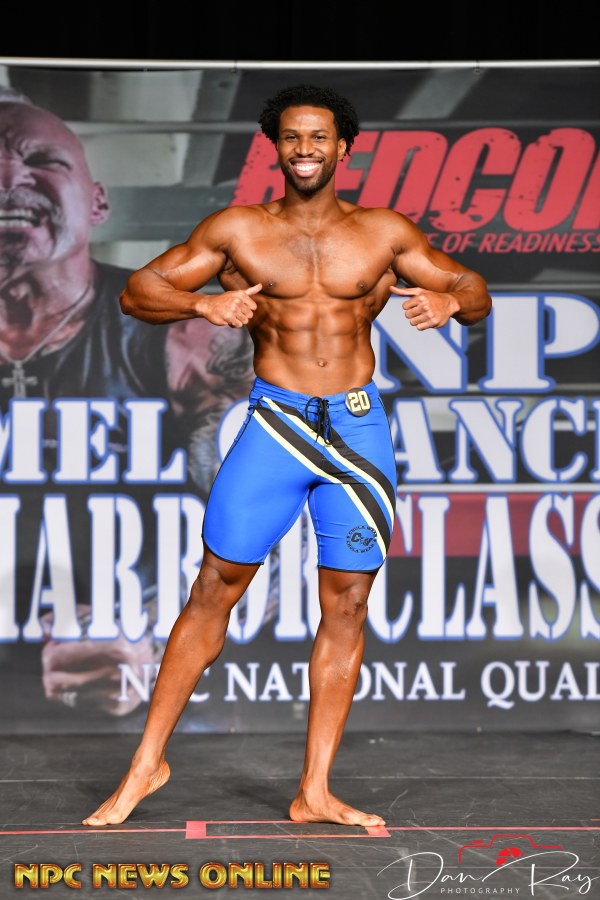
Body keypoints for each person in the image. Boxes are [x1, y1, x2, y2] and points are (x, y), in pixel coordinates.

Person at [83, 83, 492, 828]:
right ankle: (147, 765)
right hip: (276, 425)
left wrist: (451, 302)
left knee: (348, 603)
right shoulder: (238, 229)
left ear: (343, 148)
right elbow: (138, 293)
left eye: (319, 137)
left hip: (357, 434)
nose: (306, 149)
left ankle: (316, 790)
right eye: (293, 137)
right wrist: (202, 303)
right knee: (215, 587)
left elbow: (471, 287)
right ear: (277, 147)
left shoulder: (384, 232)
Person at [0, 87, 254, 720]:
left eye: (41, 160)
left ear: (98, 202)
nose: (7, 178)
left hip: (139, 668)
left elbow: (279, 521)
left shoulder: (184, 339)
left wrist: (144, 620)